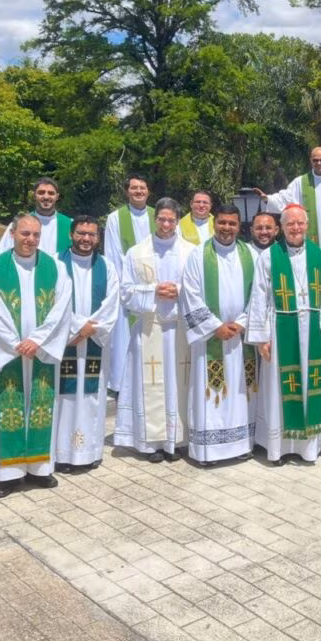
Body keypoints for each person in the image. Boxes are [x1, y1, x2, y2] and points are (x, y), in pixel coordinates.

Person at [0, 214, 72, 499]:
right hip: (8, 354)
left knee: (42, 407)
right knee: (7, 410)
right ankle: (9, 474)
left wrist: (38, 340)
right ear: (13, 233)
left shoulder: (55, 267)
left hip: (40, 351)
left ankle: (40, 469)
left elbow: (62, 307)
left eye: (35, 235)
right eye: (25, 234)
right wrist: (14, 343)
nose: (30, 240)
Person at [247, 205, 321, 465]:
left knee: (311, 384)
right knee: (278, 387)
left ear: (307, 226)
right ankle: (278, 448)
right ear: (281, 228)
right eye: (290, 224)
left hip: (312, 328)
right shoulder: (269, 256)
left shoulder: (320, 256)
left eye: (300, 223)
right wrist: (262, 337)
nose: (296, 228)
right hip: (280, 327)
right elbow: (259, 297)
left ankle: (308, 447)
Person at [115, 198, 194, 463]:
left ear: (177, 220)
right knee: (153, 385)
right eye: (162, 219)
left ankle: (180, 440)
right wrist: (154, 291)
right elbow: (125, 292)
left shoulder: (191, 251)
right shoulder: (136, 253)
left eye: (172, 219)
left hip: (180, 329)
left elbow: (199, 289)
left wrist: (179, 291)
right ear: (155, 219)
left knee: (179, 384)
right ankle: (153, 444)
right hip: (150, 328)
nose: (166, 224)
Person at [181, 204, 257, 465]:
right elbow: (189, 294)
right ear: (215, 224)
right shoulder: (198, 255)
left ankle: (243, 444)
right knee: (211, 392)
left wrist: (243, 323)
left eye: (232, 224)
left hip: (240, 338)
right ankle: (209, 452)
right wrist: (215, 326)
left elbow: (260, 294)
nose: (227, 228)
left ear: (239, 226)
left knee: (240, 392)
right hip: (210, 339)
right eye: (222, 223)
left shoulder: (250, 255)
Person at [55, 216, 120, 473]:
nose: (86, 239)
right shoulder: (55, 264)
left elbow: (112, 303)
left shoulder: (107, 266)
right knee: (64, 398)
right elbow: (50, 302)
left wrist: (89, 328)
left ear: (98, 238)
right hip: (64, 344)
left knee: (93, 397)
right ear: (71, 234)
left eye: (91, 234)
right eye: (81, 233)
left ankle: (90, 452)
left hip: (93, 342)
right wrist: (75, 327)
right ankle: (61, 454)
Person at [103, 173, 153, 394]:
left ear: (148, 191)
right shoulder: (115, 218)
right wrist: (124, 284)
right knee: (124, 336)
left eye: (142, 188)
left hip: (154, 287)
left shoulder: (158, 215)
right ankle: (123, 383)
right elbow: (112, 253)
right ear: (127, 191)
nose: (138, 191)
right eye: (134, 188)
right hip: (127, 287)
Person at [258, 146, 321, 246]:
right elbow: (286, 199)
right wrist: (268, 199)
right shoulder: (300, 182)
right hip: (309, 236)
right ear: (311, 161)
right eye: (315, 160)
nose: (319, 163)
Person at [0, 177, 72, 256]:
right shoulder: (19, 224)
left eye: (51, 193)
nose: (46, 197)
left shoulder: (71, 225)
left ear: (57, 196)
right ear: (34, 195)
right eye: (41, 192)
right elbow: (0, 256)